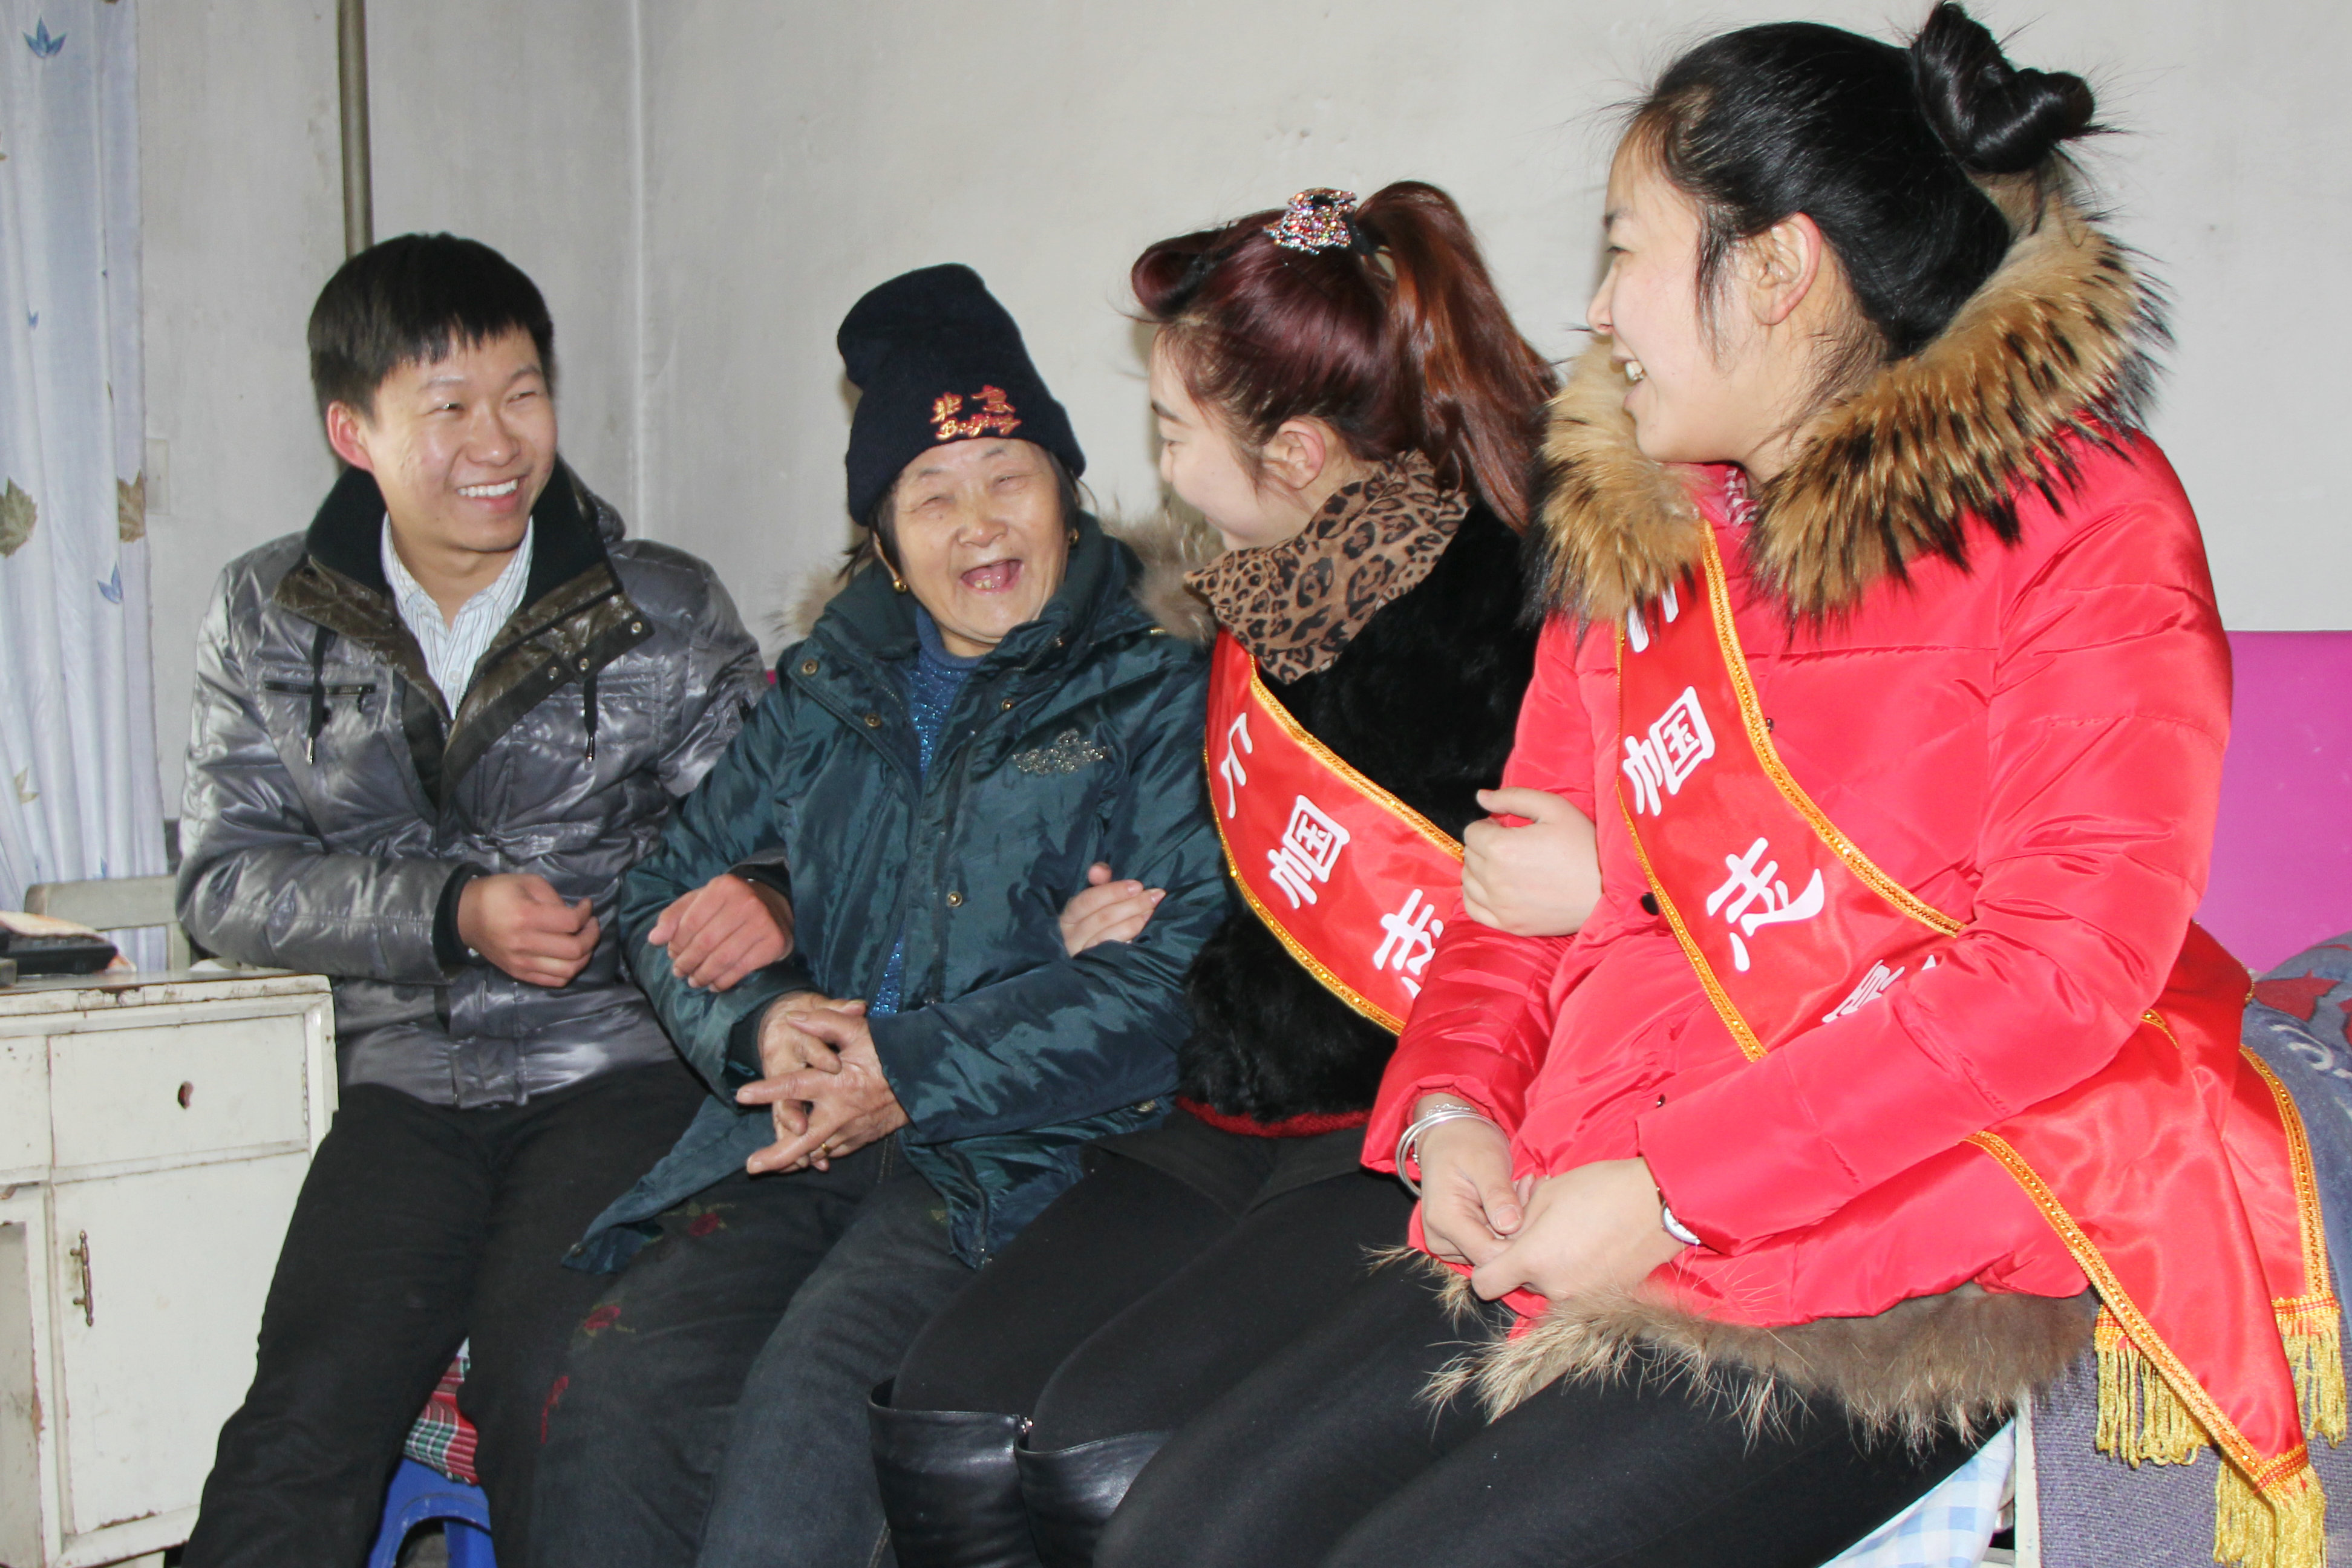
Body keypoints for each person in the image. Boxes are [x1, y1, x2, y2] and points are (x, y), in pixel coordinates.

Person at [1089, 10, 2338, 1568]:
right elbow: (1509, 895)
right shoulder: (1644, 527)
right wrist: (1456, 1113)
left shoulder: (2088, 522)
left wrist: (1673, 1190)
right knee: (1177, 1535)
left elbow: (2057, 973)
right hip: (1584, 1176)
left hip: (1905, 1233)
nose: (1597, 307)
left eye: (1627, 250)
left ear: (1777, 268)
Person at [873, 183, 1568, 1567]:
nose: (1163, 465)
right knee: (945, 1421)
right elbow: (1211, 877)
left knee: (1095, 1454)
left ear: (1297, 454)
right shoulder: (1245, 600)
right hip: (1221, 1100)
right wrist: (1113, 917)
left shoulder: (1519, 613)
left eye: (1175, 432)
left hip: (1411, 1130)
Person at [528, 264, 1229, 1568]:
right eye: (932, 495)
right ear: (887, 546)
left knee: (811, 1412)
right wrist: (766, 1022)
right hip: (805, 1132)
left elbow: (1168, 988)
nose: (981, 524)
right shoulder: (827, 687)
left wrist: (903, 1068)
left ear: (1068, 492)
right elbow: (659, 894)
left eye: (1010, 476)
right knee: (621, 1387)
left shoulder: (1153, 688)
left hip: (1008, 1159)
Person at [175, 234, 763, 1565]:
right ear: (355, 432)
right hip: (403, 1079)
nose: (497, 442)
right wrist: (451, 913)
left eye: (523, 393)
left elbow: (771, 826)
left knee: (546, 1384)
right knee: (303, 1416)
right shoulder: (268, 613)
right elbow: (225, 882)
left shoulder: (657, 605)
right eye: (448, 406)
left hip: (619, 1066)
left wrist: (762, 893)